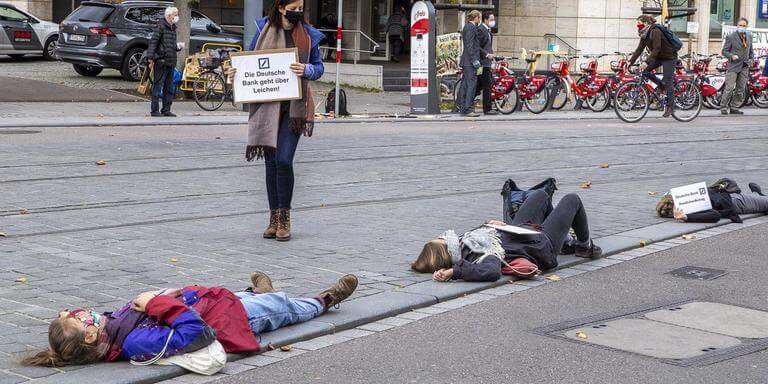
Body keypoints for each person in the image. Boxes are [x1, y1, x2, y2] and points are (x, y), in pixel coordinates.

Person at [20, 272, 358, 369]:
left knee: (263, 299)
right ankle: (325, 299)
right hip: (229, 321)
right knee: (285, 309)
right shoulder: (134, 343)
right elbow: (195, 333)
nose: (81, 312)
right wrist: (157, 301)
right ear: (90, 337)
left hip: (213, 301)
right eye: (78, 319)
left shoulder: (111, 327)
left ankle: (260, 291)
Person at [246, 0, 325, 241]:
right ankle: (273, 217)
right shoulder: (262, 30)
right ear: (280, 8)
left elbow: (319, 67)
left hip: (295, 108)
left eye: (300, 9)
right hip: (268, 106)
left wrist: (307, 71)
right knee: (270, 163)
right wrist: (237, 74)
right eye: (292, 9)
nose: (297, 13)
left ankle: (285, 217)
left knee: (283, 160)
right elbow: (248, 61)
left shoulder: (309, 34)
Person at [411, 190, 603, 282]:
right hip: (540, 245)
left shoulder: (464, 242)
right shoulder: (475, 254)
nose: (446, 236)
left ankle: (566, 240)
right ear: (447, 251)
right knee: (572, 199)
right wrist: (455, 272)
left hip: (520, 232)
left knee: (541, 196)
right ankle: (584, 246)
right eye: (442, 240)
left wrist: (489, 224)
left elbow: (485, 235)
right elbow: (492, 271)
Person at [628, 14, 677, 117]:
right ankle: (661, 85)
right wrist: (630, 62)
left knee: (668, 80)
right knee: (645, 72)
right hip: (659, 57)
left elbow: (656, 49)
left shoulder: (655, 31)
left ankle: (670, 107)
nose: (638, 26)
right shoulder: (644, 34)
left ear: (646, 23)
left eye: (639, 24)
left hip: (669, 57)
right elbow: (639, 49)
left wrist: (646, 62)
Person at [656, 181, 768, 223]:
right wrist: (686, 217)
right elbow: (715, 215)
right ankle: (758, 194)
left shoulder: (688, 201)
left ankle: (757, 194)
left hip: (728, 196)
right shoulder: (691, 209)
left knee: (760, 200)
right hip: (738, 203)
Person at [147, 6, 184, 117]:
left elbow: (170, 45)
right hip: (162, 61)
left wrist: (178, 47)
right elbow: (154, 41)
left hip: (171, 61)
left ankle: (166, 109)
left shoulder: (173, 28)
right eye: (175, 14)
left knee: (169, 87)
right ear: (169, 16)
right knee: (158, 86)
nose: (177, 17)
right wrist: (150, 57)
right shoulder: (161, 26)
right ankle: (154, 111)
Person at [720, 17, 754, 116]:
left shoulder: (749, 36)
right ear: (737, 26)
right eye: (740, 25)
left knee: (741, 88)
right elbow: (724, 51)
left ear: (746, 26)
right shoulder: (731, 37)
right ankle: (723, 106)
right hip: (733, 66)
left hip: (745, 66)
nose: (742, 27)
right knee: (729, 88)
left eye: (744, 25)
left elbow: (751, 51)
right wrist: (731, 56)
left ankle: (734, 107)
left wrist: (751, 60)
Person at [458, 10, 483, 117]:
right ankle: (468, 109)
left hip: (467, 61)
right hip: (470, 62)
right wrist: (474, 60)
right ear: (476, 17)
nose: (480, 19)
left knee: (465, 85)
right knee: (471, 85)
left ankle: (463, 108)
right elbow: (469, 45)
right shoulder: (471, 27)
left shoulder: (468, 27)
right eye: (479, 17)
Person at [478, 12, 497, 115]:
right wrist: (486, 55)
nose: (493, 21)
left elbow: (488, 46)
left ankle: (463, 103)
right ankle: (487, 109)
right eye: (491, 19)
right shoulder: (481, 30)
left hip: (487, 62)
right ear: (485, 20)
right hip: (482, 63)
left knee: (480, 86)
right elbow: (478, 46)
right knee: (487, 85)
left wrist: (492, 56)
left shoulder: (488, 31)